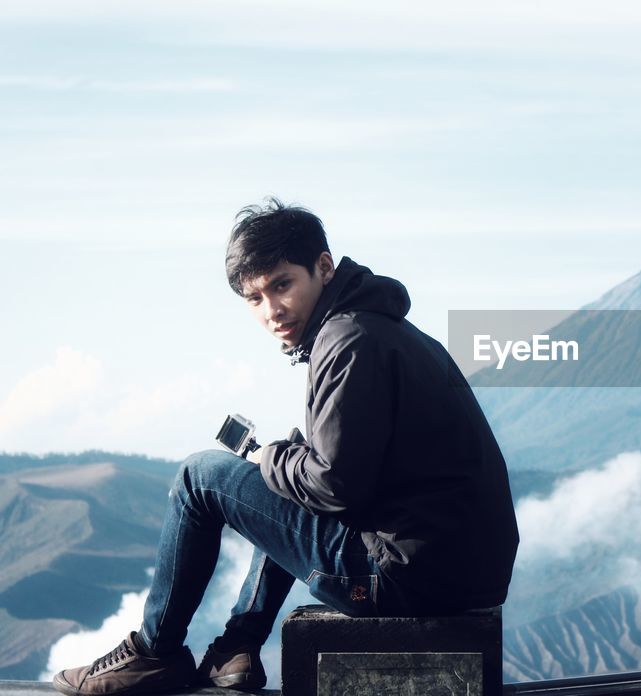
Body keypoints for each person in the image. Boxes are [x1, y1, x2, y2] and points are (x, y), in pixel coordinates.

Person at [53, 199, 520, 695]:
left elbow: (335, 486)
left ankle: (154, 653)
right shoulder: (380, 328)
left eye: (281, 284)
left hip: (403, 579)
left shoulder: (348, 340)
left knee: (199, 477)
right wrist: (284, 461)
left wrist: (266, 456)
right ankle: (237, 646)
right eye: (253, 298)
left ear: (323, 267)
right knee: (282, 476)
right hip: (456, 573)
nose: (272, 310)